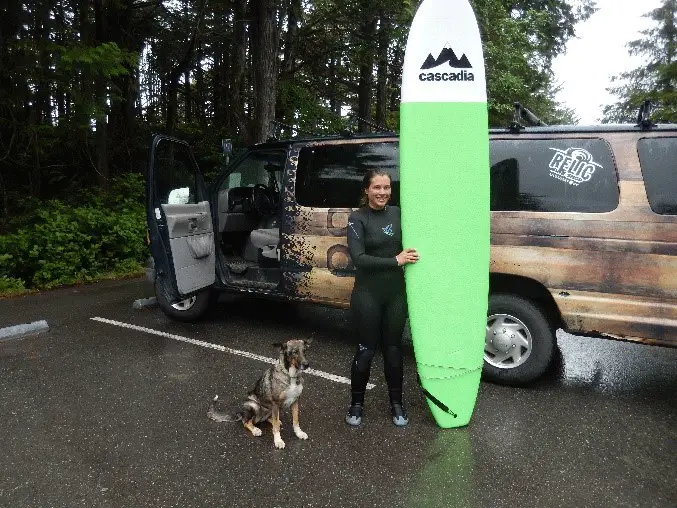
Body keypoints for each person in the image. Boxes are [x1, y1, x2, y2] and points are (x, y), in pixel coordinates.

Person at [345, 168, 419, 427]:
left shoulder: (399, 214)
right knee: (366, 350)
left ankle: (397, 404)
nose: (382, 193)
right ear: (366, 190)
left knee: (394, 350)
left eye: (386, 188)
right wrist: (396, 260)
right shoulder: (358, 219)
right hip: (368, 295)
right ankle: (356, 404)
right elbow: (359, 259)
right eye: (377, 187)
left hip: (396, 295)